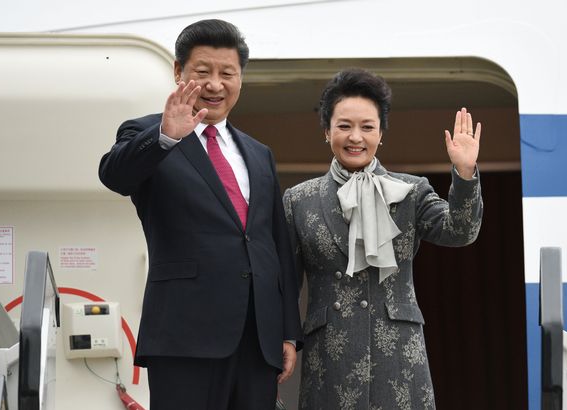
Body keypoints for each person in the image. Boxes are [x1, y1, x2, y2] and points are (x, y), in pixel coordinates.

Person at [99, 19, 302, 410]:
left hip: (256, 340)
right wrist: (166, 136)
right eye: (202, 71)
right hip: (183, 336)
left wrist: (288, 331)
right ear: (178, 72)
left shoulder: (259, 153)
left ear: (241, 78)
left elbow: (274, 245)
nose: (215, 84)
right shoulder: (148, 133)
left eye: (227, 73)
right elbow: (115, 176)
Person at [283, 68, 483, 409]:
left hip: (399, 354)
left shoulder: (411, 191)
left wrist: (464, 173)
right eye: (344, 126)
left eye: (367, 127)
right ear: (326, 130)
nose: (355, 137)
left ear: (381, 134)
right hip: (331, 353)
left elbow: (460, 232)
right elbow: (284, 283)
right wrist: (285, 338)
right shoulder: (299, 199)